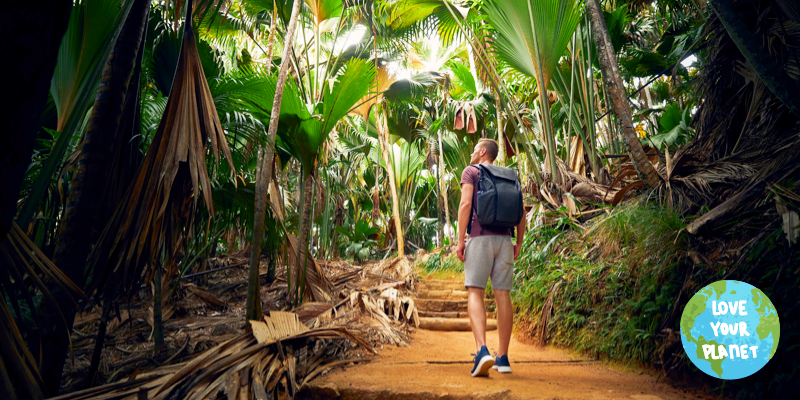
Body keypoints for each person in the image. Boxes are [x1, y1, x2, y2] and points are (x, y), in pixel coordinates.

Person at [456, 138, 526, 377]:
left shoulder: (471, 172)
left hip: (480, 236)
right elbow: (521, 212)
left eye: (475, 149)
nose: (473, 153)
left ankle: (481, 350)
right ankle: (503, 357)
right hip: (505, 241)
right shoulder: (510, 175)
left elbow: (466, 204)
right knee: (503, 295)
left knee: (475, 291)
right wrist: (518, 242)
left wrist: (460, 240)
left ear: (483, 151)